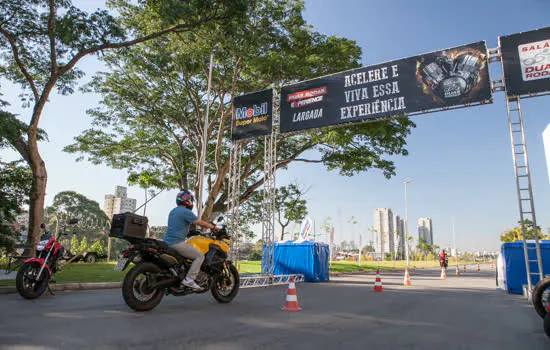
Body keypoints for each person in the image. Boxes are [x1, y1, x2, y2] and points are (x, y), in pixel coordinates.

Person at [163, 190, 217, 290]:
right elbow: (199, 222)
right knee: (200, 256)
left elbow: (178, 226)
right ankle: (189, 279)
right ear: (188, 201)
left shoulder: (173, 211)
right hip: (177, 243)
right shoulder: (186, 212)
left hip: (166, 242)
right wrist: (212, 227)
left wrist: (189, 232)